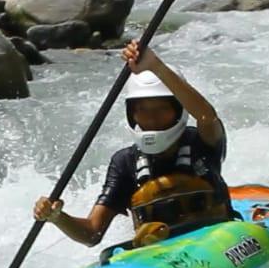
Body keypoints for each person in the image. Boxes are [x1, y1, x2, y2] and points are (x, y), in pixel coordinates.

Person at [33, 40, 234, 249]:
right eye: (143, 110)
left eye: (161, 108)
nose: (152, 118)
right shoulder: (125, 162)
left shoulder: (201, 141)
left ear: (178, 110)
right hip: (161, 253)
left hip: (217, 242)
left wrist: (155, 66)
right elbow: (92, 233)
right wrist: (57, 217)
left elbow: (206, 116)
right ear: (132, 114)